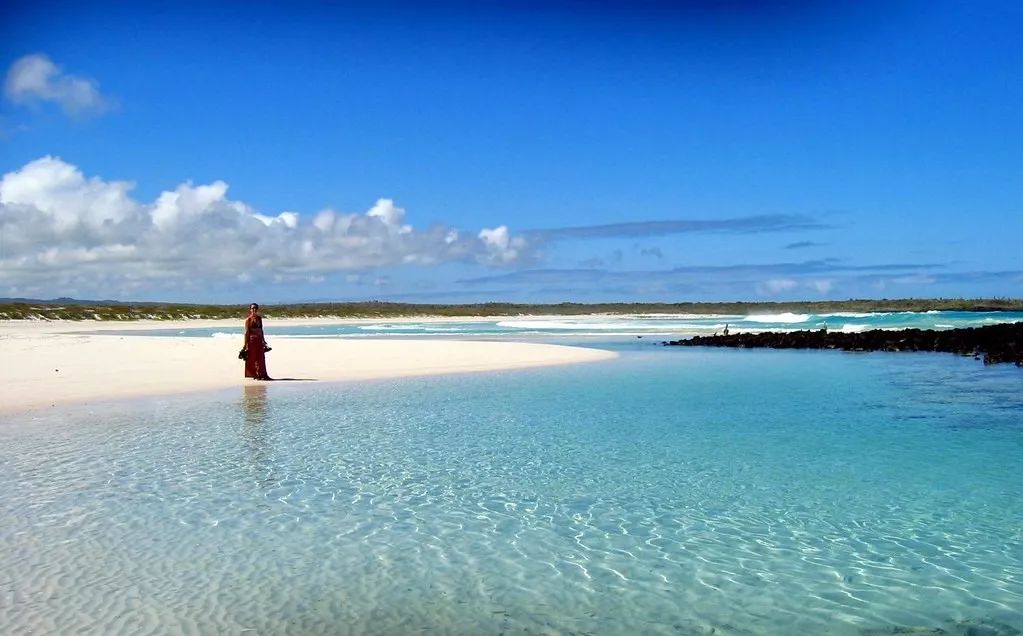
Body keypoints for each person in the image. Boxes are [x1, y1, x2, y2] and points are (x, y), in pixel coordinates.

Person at [243, 303, 272, 380]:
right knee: (253, 357)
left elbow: (261, 330)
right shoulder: (248, 320)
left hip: (259, 340)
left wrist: (263, 340)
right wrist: (245, 345)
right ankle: (255, 375)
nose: (254, 310)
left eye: (255, 308)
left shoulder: (259, 318)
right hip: (252, 340)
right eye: (252, 308)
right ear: (250, 310)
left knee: (261, 358)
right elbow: (247, 333)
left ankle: (263, 374)